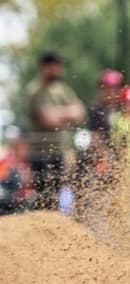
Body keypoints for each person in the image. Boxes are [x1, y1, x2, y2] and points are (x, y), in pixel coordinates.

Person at [23, 50, 85, 210]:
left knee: (61, 194)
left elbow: (80, 112)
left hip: (60, 152)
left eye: (58, 66)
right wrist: (68, 112)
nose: (57, 70)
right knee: (44, 196)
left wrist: (58, 113)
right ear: (43, 67)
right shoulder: (34, 91)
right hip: (40, 153)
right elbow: (48, 119)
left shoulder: (62, 89)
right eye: (53, 66)